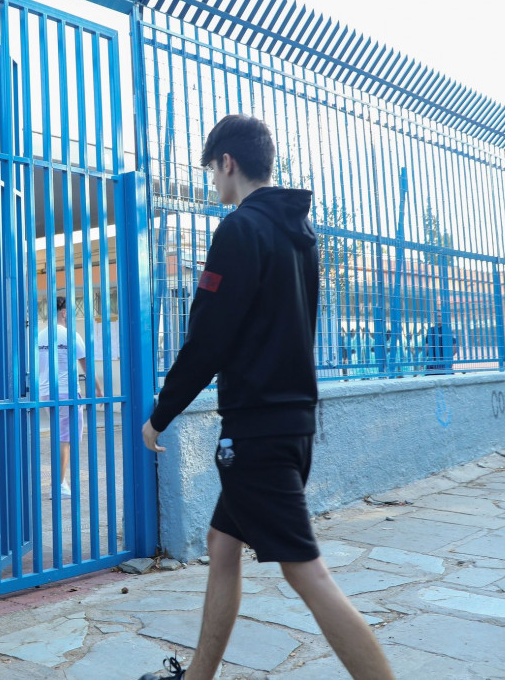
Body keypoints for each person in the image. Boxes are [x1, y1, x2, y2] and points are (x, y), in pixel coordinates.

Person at [136, 115, 393, 680]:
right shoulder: (299, 234)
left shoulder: (240, 230)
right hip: (291, 420)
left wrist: (161, 414)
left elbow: (208, 339)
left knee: (306, 571)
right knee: (221, 543)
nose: (212, 181)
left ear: (228, 163)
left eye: (212, 170)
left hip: (258, 431)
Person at [37, 295, 102, 500]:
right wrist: (98, 389)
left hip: (45, 392)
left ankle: (60, 482)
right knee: (65, 439)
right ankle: (59, 485)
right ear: (64, 313)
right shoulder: (71, 335)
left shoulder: (40, 336)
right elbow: (86, 365)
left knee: (60, 436)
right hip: (67, 392)